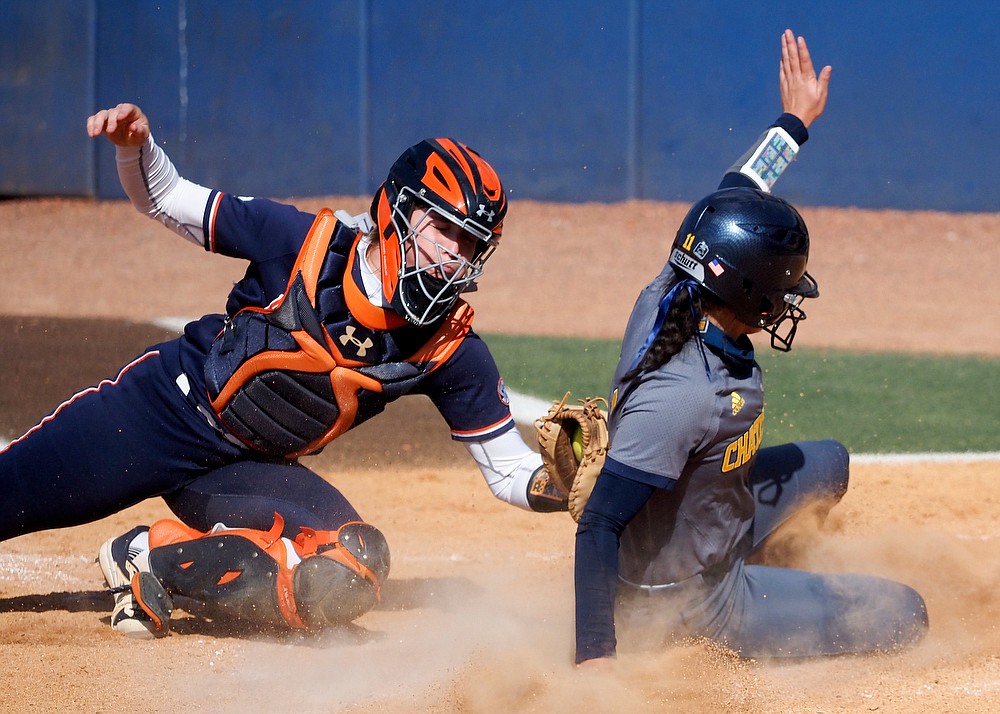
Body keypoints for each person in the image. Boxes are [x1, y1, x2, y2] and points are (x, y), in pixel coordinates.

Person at [0, 104, 569, 639]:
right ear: (397, 210)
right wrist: (137, 147)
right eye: (443, 230)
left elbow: (508, 471)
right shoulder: (301, 243)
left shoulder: (450, 346)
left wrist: (566, 486)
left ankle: (150, 557)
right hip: (159, 416)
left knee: (354, 565)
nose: (454, 256)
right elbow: (167, 197)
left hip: (247, 471)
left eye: (471, 245)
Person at [573, 30, 928, 666]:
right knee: (905, 612)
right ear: (751, 296)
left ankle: (757, 562)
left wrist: (794, 121)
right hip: (696, 600)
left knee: (829, 465)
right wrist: (596, 662)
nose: (790, 303)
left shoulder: (671, 288)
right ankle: (754, 606)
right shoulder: (682, 398)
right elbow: (598, 526)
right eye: (785, 291)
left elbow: (737, 188)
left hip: (705, 515)